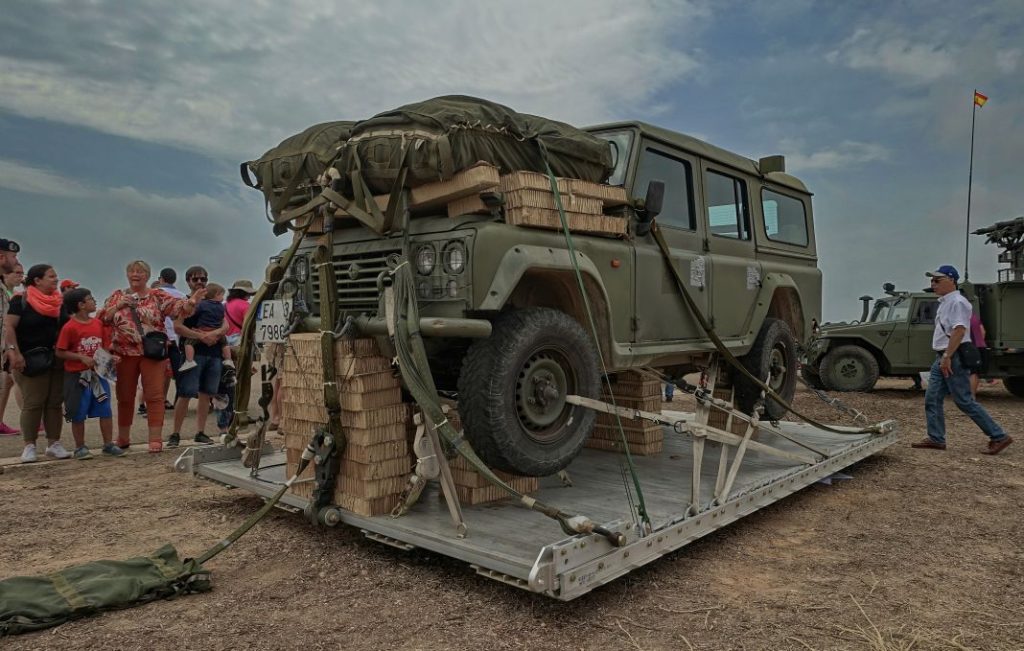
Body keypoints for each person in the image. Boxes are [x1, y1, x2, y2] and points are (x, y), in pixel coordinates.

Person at [98, 260, 201, 453]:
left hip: (152, 352)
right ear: (127, 275)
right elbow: (103, 318)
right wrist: (119, 305)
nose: (135, 274)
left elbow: (178, 309)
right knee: (124, 397)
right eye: (132, 271)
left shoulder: (157, 295)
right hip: (124, 352)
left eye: (140, 271)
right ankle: (123, 437)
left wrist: (191, 302)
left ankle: (155, 439)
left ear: (147, 275)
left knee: (154, 396)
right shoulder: (117, 296)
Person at [912, 265, 1013, 454]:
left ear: (951, 280)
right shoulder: (946, 302)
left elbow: (959, 330)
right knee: (932, 398)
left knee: (964, 400)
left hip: (952, 356)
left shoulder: (957, 302)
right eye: (932, 280)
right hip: (944, 356)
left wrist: (947, 356)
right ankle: (936, 438)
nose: (933, 284)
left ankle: (999, 436)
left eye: (937, 280)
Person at [3, 263, 71, 462]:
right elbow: (9, 327)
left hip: (56, 359)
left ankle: (54, 444)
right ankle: (29, 445)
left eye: (56, 275)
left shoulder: (60, 302)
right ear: (37, 280)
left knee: (54, 403)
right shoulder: (21, 301)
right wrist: (14, 352)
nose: (56, 279)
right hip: (30, 359)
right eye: (51, 276)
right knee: (33, 403)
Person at [55, 288, 125, 459]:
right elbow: (60, 351)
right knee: (78, 412)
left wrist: (111, 358)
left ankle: (108, 444)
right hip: (77, 377)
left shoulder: (98, 324)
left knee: (105, 409)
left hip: (98, 375)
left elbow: (103, 347)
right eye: (90, 299)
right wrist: (80, 358)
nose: (94, 301)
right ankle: (80, 447)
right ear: (81, 305)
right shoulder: (69, 327)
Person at [169, 266, 226, 448]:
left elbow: (225, 326)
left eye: (203, 279)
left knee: (206, 394)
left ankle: (200, 432)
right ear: (188, 281)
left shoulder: (215, 303)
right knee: (185, 393)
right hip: (192, 353)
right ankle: (175, 433)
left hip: (213, 352)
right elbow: (178, 327)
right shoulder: (184, 302)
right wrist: (202, 336)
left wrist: (210, 335)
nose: (200, 282)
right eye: (195, 279)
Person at [178, 282, 233, 373]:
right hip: (217, 331)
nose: (223, 298)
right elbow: (222, 318)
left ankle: (189, 361)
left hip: (203, 329)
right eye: (222, 295)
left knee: (188, 343)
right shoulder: (221, 306)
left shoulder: (202, 304)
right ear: (216, 295)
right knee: (225, 344)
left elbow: (193, 313)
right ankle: (228, 359)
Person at [0, 262, 25, 435]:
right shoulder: (5, 294)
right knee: (16, 379)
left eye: (21, 273)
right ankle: (29, 418)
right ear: (5, 275)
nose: (20, 276)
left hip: (8, 344)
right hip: (5, 345)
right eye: (16, 273)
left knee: (8, 382)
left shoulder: (14, 294)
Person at [968, 311, 987, 398]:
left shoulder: (962, 318)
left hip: (970, 347)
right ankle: (972, 394)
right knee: (975, 373)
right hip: (981, 346)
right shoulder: (975, 317)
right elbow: (983, 332)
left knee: (971, 372)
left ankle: (969, 395)